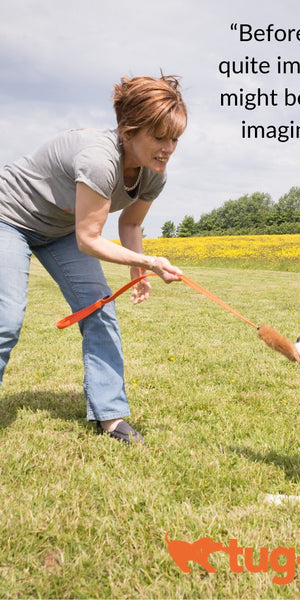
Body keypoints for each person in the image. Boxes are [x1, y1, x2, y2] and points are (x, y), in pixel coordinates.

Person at [0, 74, 188, 443]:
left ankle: (111, 417)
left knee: (99, 309)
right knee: (6, 317)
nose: (168, 148)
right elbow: (89, 240)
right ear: (128, 131)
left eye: (175, 138)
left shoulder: (153, 174)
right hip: (10, 217)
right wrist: (151, 263)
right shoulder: (100, 160)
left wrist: (138, 266)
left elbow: (130, 223)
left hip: (61, 228)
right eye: (159, 136)